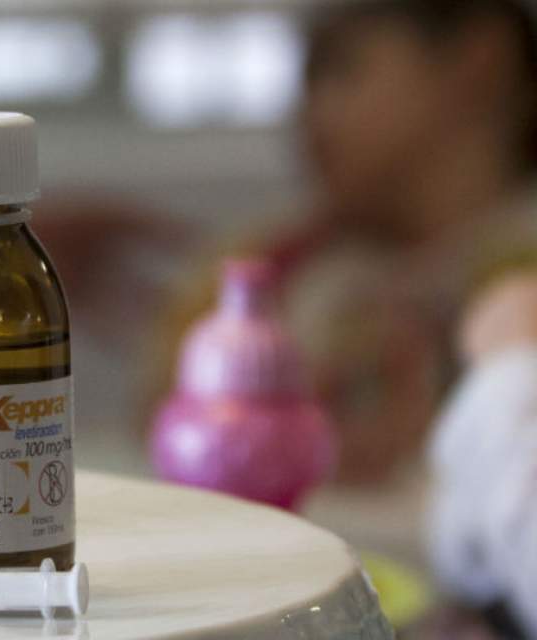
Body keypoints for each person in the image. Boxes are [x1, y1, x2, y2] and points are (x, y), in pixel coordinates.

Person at [154, 0, 537, 484]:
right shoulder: (264, 266)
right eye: (307, 85)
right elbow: (162, 423)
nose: (308, 114)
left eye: (344, 71)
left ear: (481, 61)